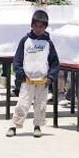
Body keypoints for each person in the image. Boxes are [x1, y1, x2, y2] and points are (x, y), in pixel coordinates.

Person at [7, 10, 59, 138]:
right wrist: (21, 75)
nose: (38, 29)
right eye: (35, 26)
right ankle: (14, 125)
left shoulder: (48, 43)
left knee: (40, 105)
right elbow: (17, 60)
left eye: (41, 26)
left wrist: (51, 77)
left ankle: (37, 126)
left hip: (42, 81)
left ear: (45, 27)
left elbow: (55, 63)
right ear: (31, 25)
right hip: (27, 80)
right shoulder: (25, 41)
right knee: (22, 104)